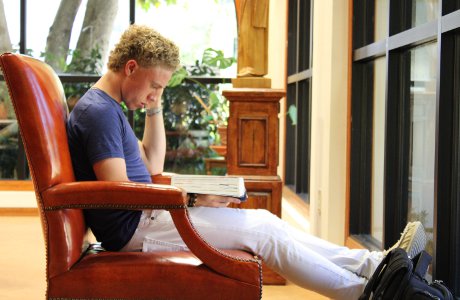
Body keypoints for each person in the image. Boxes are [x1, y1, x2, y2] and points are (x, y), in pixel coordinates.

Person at [67, 24, 427, 300]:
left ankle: (375, 264)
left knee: (264, 220)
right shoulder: (99, 113)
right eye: (155, 85)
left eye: (161, 88)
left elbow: (150, 164)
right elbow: (119, 195)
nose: (155, 94)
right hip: (136, 230)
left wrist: (155, 104)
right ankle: (366, 292)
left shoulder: (110, 107)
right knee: (262, 235)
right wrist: (192, 198)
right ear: (131, 67)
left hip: (149, 216)